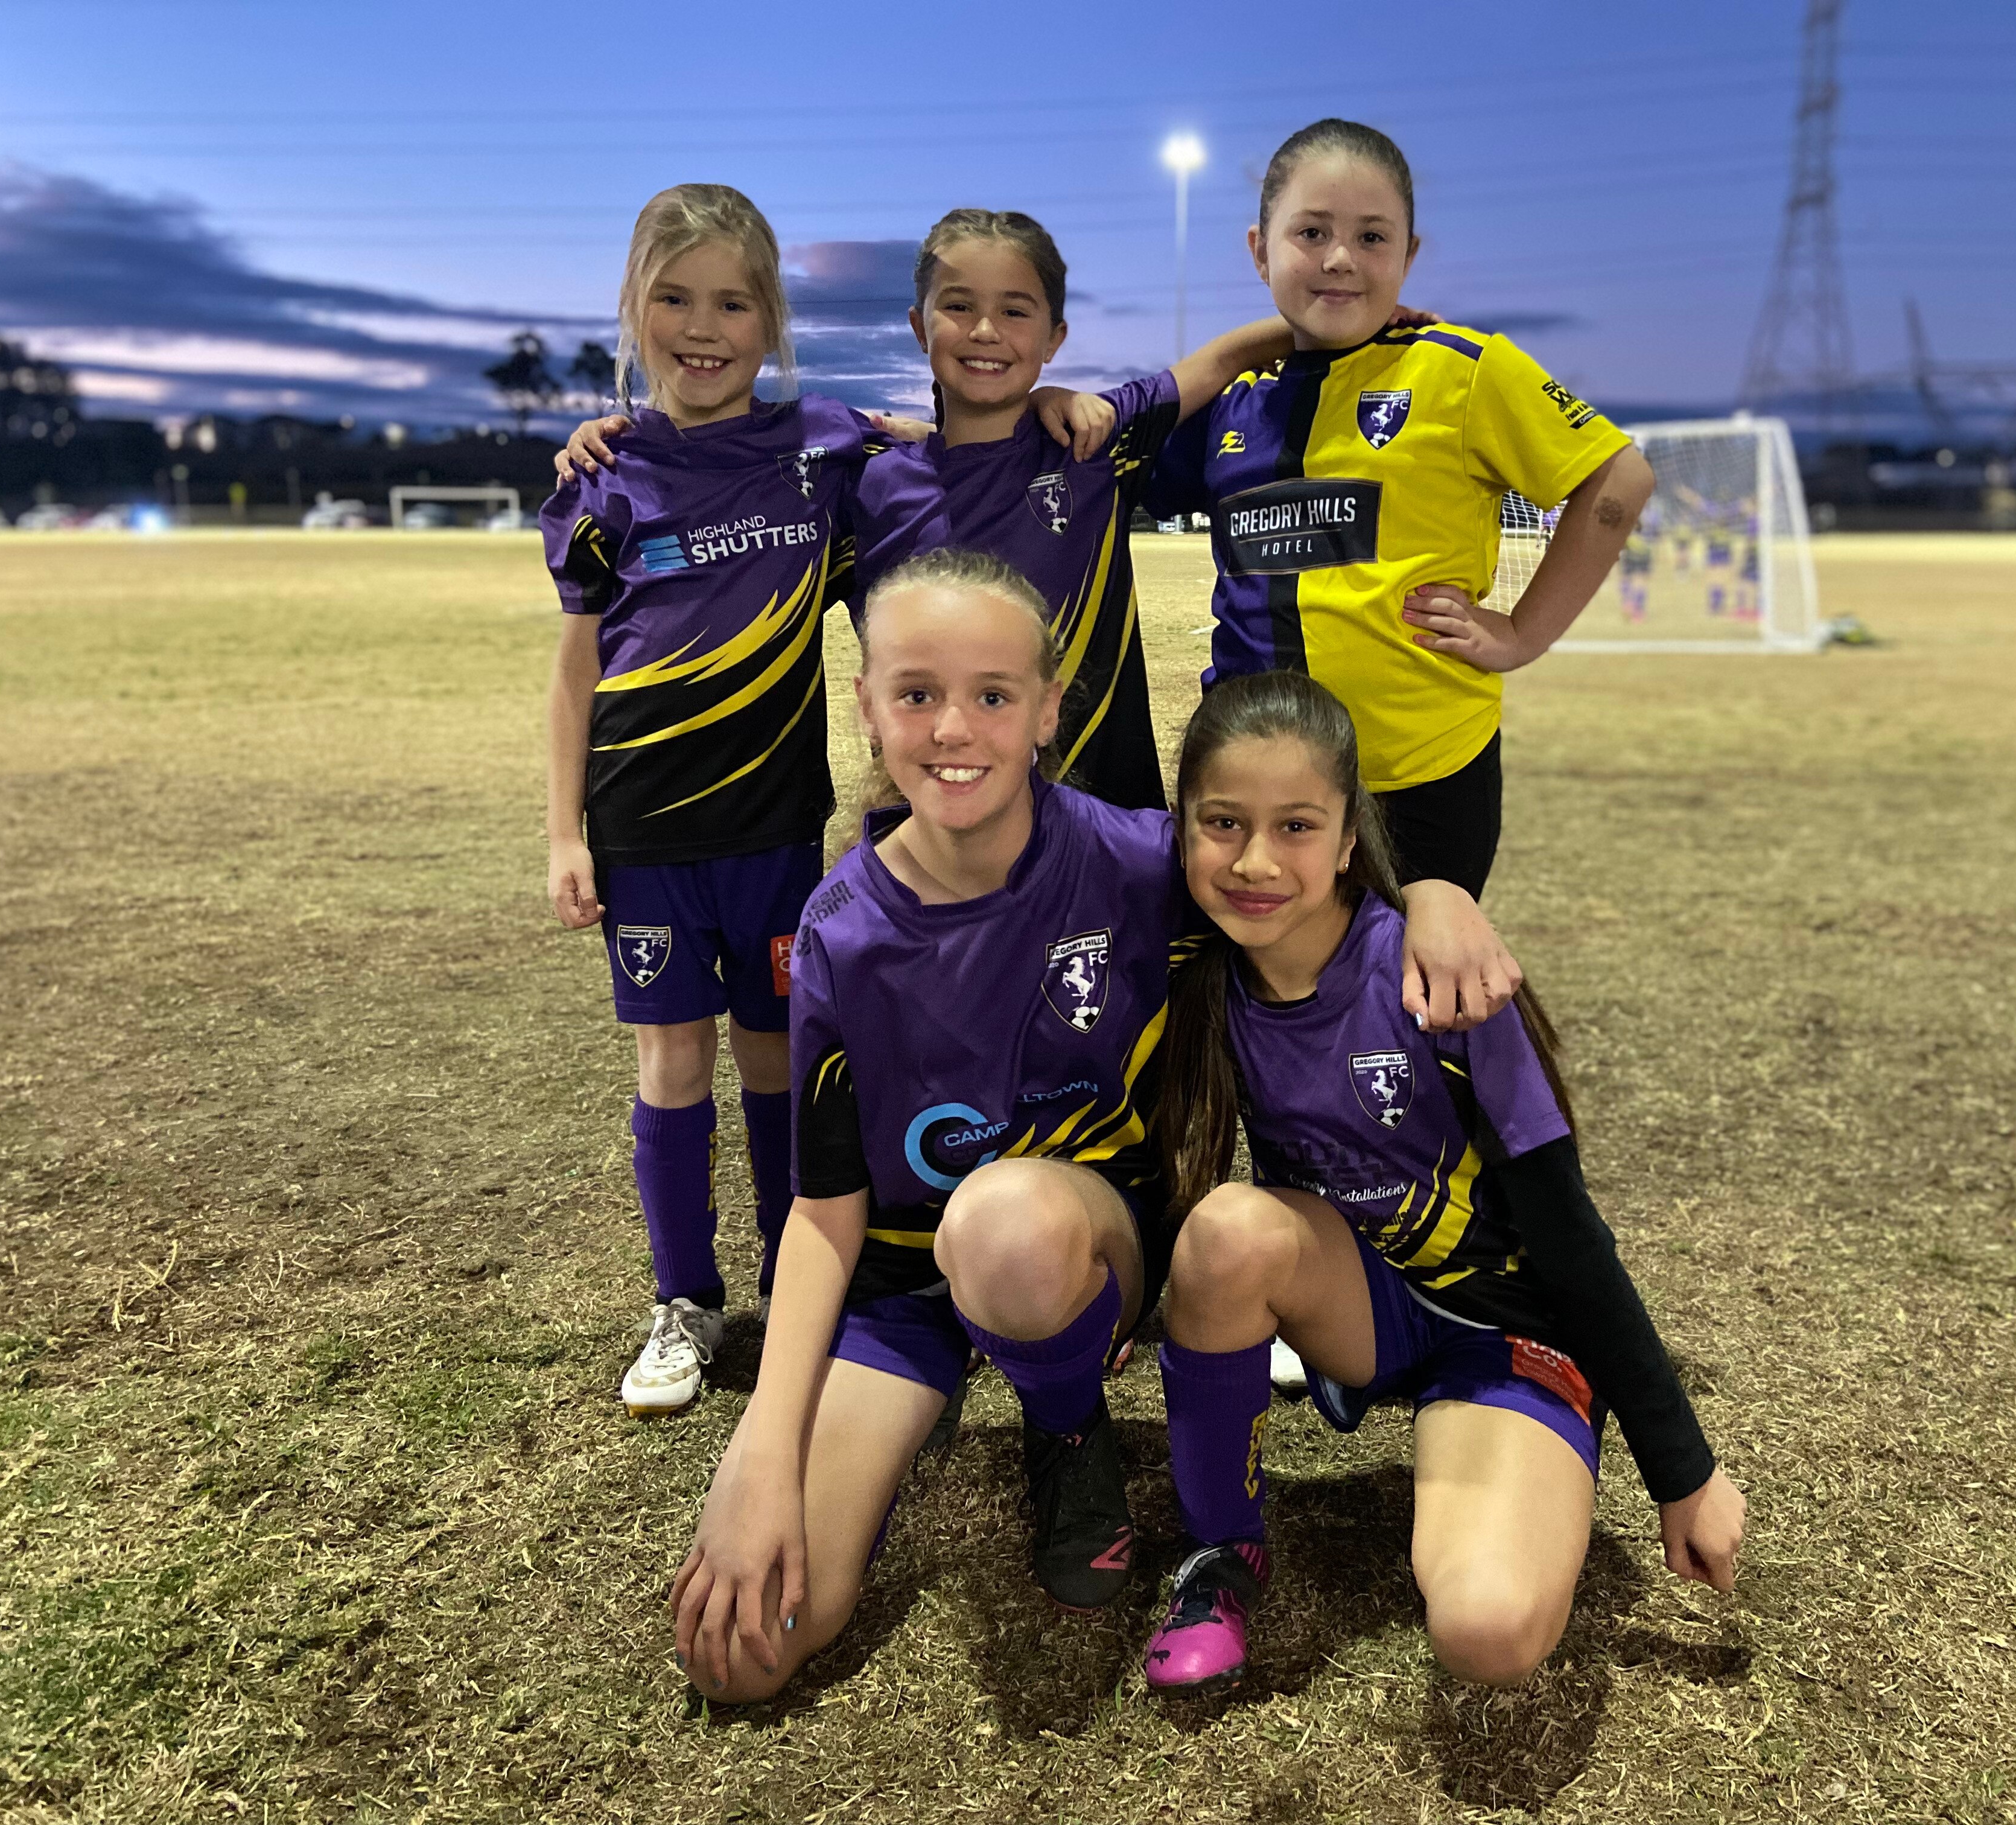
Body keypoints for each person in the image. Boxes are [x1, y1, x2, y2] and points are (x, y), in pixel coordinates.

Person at [666, 551, 1523, 1701]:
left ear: (1047, 711)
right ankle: (955, 1389)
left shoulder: (1135, 864)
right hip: (907, 1294)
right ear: (866, 708)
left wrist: (1435, 893)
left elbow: (1291, 876)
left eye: (993, 694)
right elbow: (825, 1209)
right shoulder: (837, 932)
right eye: (916, 693)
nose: (953, 727)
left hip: (1079, 1252)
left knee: (1004, 1219)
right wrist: (762, 1452)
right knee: (744, 1653)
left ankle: (1069, 1429)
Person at [1140, 669, 1745, 1694]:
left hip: (1510, 1337)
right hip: (1365, 1310)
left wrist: (1681, 1468)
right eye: (1222, 822)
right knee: (1226, 1231)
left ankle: (1514, 1458)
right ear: (1183, 831)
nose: (1254, 860)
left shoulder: (1441, 980)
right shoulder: (1199, 969)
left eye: (1295, 827)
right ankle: (1220, 1560)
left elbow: (1570, 1234)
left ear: (1345, 840)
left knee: (1486, 1633)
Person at [564, 208, 1354, 815]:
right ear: (919, 327)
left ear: (1055, 336)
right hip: (937, 839)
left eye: (1016, 311)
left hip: (1106, 832)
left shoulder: (1094, 441)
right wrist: (625, 442)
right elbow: (727, 493)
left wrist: (1352, 316)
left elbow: (1221, 358)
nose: (985, 331)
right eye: (959, 307)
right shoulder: (863, 486)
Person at [541, 183, 866, 1418]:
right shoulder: (600, 483)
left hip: (777, 838)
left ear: (771, 318)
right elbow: (576, 680)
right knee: (670, 1065)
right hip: (645, 841)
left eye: (733, 301)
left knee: (778, 1063)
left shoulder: (821, 452)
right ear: (632, 307)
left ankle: (795, 1291)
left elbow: (930, 452)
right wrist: (566, 834)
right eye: (673, 298)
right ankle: (685, 1299)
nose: (703, 324)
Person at [1143, 119, 1659, 896]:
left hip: (1421, 775)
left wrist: (1522, 633)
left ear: (1409, 256)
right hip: (1249, 780)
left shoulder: (1460, 371)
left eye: (1374, 237)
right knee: (1247, 1004)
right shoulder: (1234, 401)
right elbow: (1104, 459)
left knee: (1409, 1001)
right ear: (1260, 250)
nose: (1342, 258)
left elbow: (1619, 480)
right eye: (1311, 232)